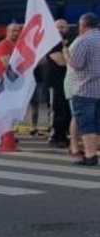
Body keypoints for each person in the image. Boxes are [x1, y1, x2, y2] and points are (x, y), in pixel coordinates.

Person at [68, 12, 100, 166]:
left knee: (87, 124)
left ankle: (90, 155)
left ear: (83, 25)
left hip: (85, 89)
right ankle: (94, 152)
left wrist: (66, 55)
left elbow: (77, 64)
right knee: (97, 124)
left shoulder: (83, 41)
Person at [46, 19, 73, 149]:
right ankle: (55, 136)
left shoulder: (70, 42)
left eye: (64, 27)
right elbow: (62, 61)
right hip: (55, 82)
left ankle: (64, 136)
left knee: (67, 110)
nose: (61, 29)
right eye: (58, 27)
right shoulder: (51, 43)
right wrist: (70, 58)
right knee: (57, 109)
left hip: (69, 82)